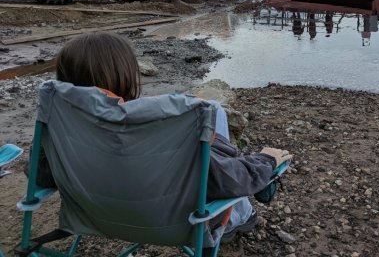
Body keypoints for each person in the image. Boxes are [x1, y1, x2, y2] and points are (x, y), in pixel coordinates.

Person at [42, 32, 293, 243]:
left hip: (93, 216)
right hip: (176, 223)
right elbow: (225, 180)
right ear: (126, 74)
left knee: (211, 111)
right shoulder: (151, 131)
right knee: (213, 113)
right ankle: (242, 215)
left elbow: (41, 176)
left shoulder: (57, 125)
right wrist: (265, 161)